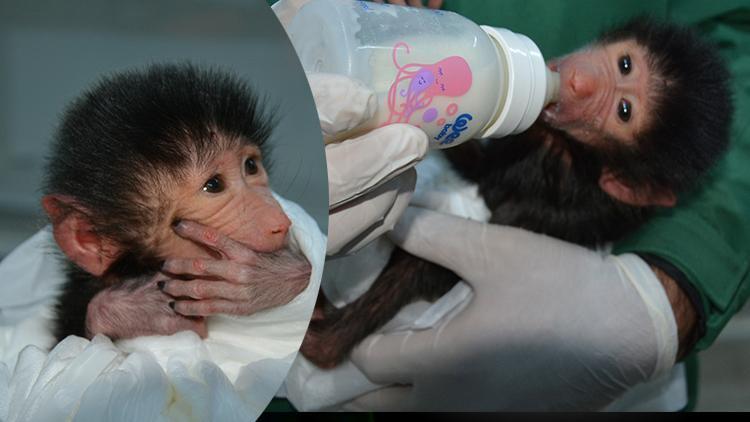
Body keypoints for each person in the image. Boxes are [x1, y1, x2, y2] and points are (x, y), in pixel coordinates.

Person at [275, 0, 750, 411]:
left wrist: (665, 306)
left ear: (624, 185)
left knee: (432, 259)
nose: (585, 82)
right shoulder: (552, 135)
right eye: (624, 65)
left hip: (496, 298)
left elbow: (485, 208)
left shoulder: (573, 192)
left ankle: (331, 340)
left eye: (622, 110)